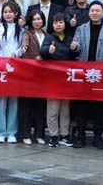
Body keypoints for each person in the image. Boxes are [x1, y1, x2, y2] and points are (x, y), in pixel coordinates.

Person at [70, 1, 103, 149]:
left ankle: (98, 137)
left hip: (100, 74)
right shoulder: (81, 29)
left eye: (98, 10)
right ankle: (81, 136)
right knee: (81, 107)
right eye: (92, 10)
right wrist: (74, 47)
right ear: (89, 12)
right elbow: (76, 46)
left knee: (99, 107)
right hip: (84, 73)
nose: (95, 13)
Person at [39, 13, 75, 147]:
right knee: (53, 110)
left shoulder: (69, 39)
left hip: (66, 79)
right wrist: (49, 51)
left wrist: (74, 49)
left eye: (60, 22)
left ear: (65, 24)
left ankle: (64, 135)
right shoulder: (49, 38)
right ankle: (53, 136)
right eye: (55, 23)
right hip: (52, 79)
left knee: (65, 110)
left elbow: (75, 55)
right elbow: (42, 51)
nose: (58, 25)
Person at [0, 2, 22, 143]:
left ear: (16, 13)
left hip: (15, 68)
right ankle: (0, 132)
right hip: (0, 68)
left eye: (10, 12)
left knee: (13, 101)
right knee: (1, 101)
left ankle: (11, 132)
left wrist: (17, 52)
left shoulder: (21, 29)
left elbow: (22, 47)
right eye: (5, 12)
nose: (8, 14)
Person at [18, 10, 47, 145]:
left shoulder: (46, 35)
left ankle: (39, 134)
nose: (37, 22)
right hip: (27, 74)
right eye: (34, 19)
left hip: (42, 75)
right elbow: (25, 45)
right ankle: (25, 133)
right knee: (26, 105)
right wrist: (24, 48)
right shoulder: (27, 33)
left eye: (39, 19)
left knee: (39, 105)